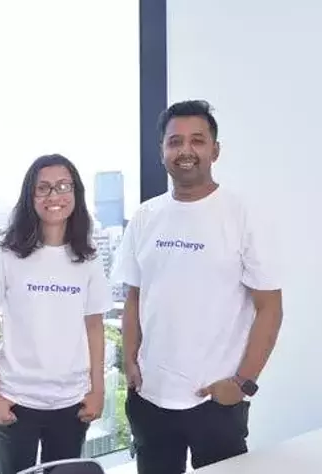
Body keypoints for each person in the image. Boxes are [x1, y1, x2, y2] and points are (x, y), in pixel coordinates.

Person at [113, 100, 284, 474]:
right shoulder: (145, 216)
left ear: (215, 150)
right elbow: (134, 297)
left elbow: (270, 306)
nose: (185, 150)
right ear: (162, 152)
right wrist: (130, 363)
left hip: (216, 401)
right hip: (150, 398)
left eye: (197, 140)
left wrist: (243, 383)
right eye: (175, 142)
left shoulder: (242, 214)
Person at [0, 154, 113, 474]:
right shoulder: (5, 251)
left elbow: (94, 325)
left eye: (63, 186)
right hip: (16, 399)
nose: (54, 196)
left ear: (75, 193)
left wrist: (98, 390)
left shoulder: (88, 256)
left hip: (71, 401)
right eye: (43, 188)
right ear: (30, 196)